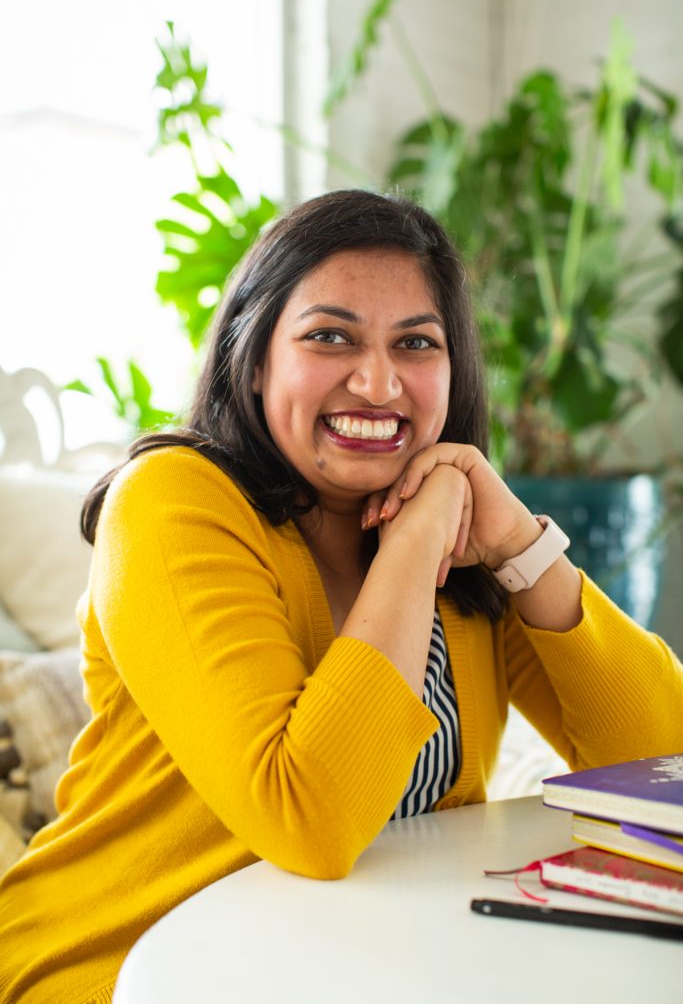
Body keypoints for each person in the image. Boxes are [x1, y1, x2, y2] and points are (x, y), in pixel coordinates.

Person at [1, 189, 682, 1003]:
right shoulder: (171, 502)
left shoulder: (465, 543)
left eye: (416, 344)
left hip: (372, 971)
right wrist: (414, 544)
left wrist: (514, 545)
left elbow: (660, 765)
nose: (376, 381)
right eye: (330, 336)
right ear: (254, 361)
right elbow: (310, 820)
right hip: (120, 973)